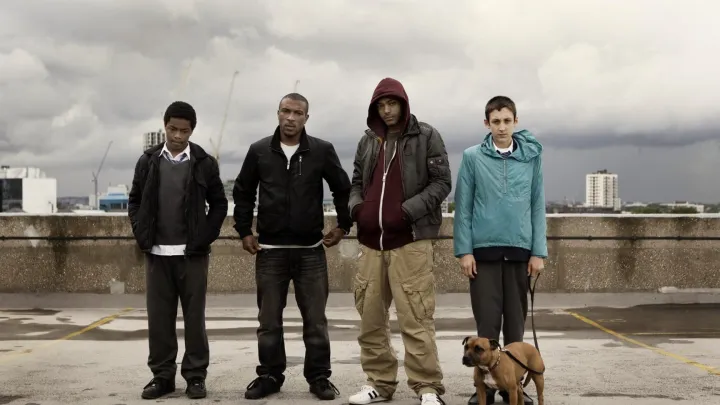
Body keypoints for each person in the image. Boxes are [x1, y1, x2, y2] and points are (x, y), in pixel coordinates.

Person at [232, 93, 352, 401]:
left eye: (297, 113)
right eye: (286, 111)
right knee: (269, 322)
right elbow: (243, 192)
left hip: (310, 250)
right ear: (277, 113)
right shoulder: (259, 151)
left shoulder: (321, 150)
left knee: (316, 321)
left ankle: (319, 377)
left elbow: (343, 189)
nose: (290, 117)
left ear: (306, 118)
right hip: (269, 251)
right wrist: (244, 231)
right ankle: (270, 375)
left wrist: (343, 226)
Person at [347, 77, 452, 405]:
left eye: (392, 103)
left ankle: (427, 387)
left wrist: (406, 211)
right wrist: (357, 208)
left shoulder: (427, 136)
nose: (387, 110)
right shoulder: (368, 140)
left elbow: (442, 183)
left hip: (411, 241)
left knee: (416, 317)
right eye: (381, 105)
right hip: (371, 242)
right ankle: (379, 383)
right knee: (370, 319)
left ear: (403, 104)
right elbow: (356, 181)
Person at [128, 101, 229, 400]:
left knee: (194, 320)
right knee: (159, 320)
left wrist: (205, 237)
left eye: (184, 131)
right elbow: (135, 201)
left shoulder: (204, 162)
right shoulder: (148, 161)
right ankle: (162, 377)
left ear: (192, 131)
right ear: (165, 126)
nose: (177, 136)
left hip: (192, 255)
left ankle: (195, 377)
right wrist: (141, 232)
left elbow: (219, 204)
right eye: (172, 129)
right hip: (157, 254)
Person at [453, 95, 548, 405]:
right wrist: (464, 251)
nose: (502, 127)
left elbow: (537, 205)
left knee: (516, 325)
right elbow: (463, 206)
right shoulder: (472, 157)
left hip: (520, 250)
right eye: (496, 121)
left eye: (507, 121)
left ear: (515, 121)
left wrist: (538, 251)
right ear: (487, 124)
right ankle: (485, 387)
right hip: (483, 251)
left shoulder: (531, 157)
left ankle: (513, 387)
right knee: (487, 324)